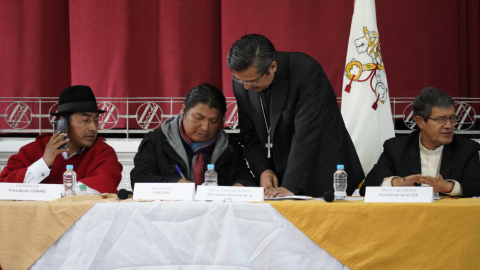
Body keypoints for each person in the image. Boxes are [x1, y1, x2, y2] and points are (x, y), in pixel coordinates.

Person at [227, 34, 364, 198]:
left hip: (322, 172)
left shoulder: (306, 72)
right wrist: (263, 169)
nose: (246, 87)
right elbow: (249, 134)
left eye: (252, 81)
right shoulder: (243, 81)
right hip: (279, 175)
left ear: (273, 67)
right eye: (240, 80)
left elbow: (307, 133)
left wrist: (290, 185)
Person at [130, 84, 257, 188]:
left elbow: (248, 179)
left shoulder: (230, 148)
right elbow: (139, 178)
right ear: (183, 110)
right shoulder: (156, 141)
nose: (205, 127)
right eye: (198, 118)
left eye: (213, 121)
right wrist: (174, 184)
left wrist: (242, 186)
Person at [0, 85, 123, 194]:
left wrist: (53, 192)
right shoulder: (32, 150)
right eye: (85, 120)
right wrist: (44, 163)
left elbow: (106, 184)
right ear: (62, 122)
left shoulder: (102, 152)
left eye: (96, 121)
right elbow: (5, 186)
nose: (93, 127)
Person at [360, 87, 480, 197]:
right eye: (440, 119)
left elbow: (476, 185)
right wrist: (395, 183)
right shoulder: (396, 148)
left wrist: (449, 187)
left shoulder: (467, 149)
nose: (449, 125)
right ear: (420, 122)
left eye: (452, 118)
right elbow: (366, 189)